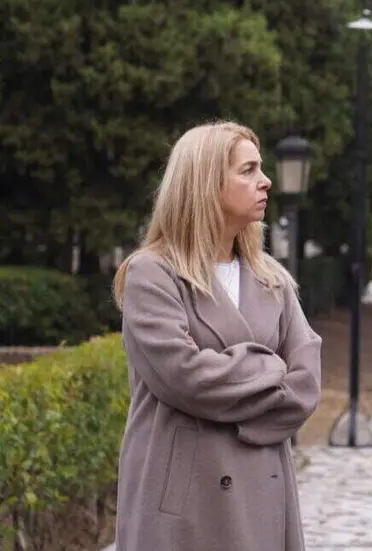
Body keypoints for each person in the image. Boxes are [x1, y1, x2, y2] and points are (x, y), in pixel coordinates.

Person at [112, 121, 322, 551]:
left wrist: (236, 380)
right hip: (184, 498)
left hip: (263, 488)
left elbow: (305, 386)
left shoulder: (273, 280)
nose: (265, 182)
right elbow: (185, 377)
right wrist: (270, 365)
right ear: (205, 182)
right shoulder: (152, 274)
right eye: (247, 170)